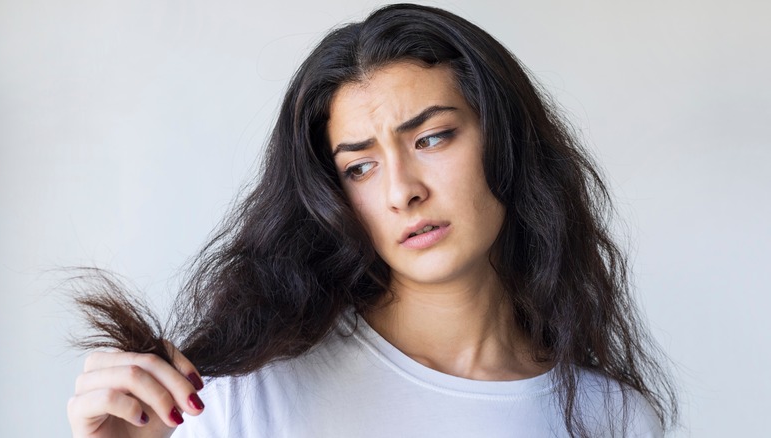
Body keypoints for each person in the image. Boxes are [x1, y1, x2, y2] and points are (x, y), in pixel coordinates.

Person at [67, 4, 677, 437]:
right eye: (359, 168)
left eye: (433, 138)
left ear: (507, 143)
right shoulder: (241, 396)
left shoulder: (612, 419)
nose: (402, 191)